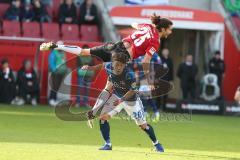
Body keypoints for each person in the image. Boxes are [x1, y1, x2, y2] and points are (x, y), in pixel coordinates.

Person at [88, 52, 164, 152]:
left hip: (132, 101)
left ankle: (157, 144)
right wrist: (95, 109)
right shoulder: (108, 68)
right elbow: (107, 89)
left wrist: (121, 100)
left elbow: (133, 90)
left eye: (121, 65)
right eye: (117, 64)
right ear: (112, 63)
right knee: (103, 117)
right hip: (116, 97)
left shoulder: (129, 74)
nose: (119, 67)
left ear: (125, 65)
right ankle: (108, 144)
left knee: (143, 126)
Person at [48, 41, 68, 106]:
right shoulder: (53, 52)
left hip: (61, 72)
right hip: (55, 72)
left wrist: (65, 69)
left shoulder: (63, 53)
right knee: (54, 86)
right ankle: (51, 99)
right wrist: (54, 70)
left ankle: (54, 99)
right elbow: (51, 62)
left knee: (57, 87)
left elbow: (64, 62)